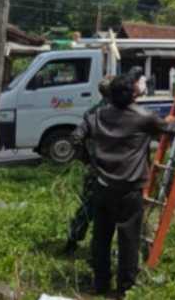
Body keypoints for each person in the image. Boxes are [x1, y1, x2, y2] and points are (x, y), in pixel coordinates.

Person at [71, 74, 175, 297]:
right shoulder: (142, 116)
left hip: (102, 186)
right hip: (129, 189)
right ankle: (125, 289)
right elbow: (170, 129)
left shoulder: (97, 115)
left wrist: (89, 161)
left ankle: (100, 285)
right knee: (128, 240)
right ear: (132, 94)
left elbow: (76, 137)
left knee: (101, 238)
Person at [65, 76, 113, 254]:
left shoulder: (92, 112)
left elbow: (75, 137)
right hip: (118, 172)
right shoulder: (121, 112)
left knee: (87, 207)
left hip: (95, 169)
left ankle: (72, 241)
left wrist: (86, 158)